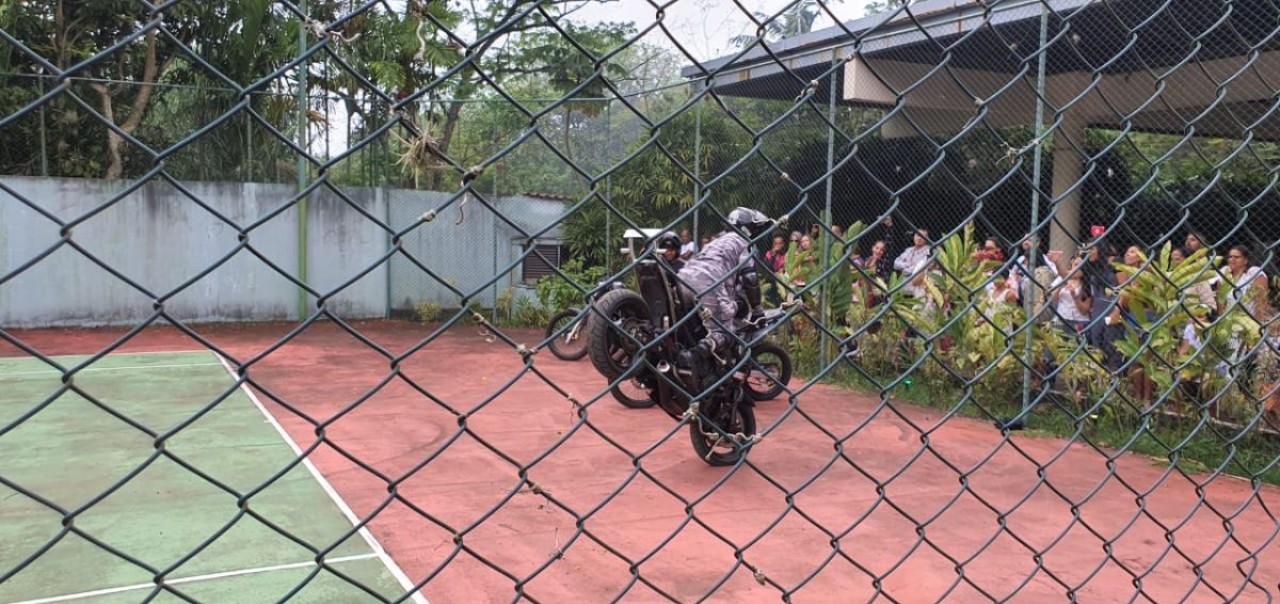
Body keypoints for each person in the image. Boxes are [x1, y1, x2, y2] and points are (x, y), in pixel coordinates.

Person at [676, 207, 773, 379]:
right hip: (708, 282)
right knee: (724, 333)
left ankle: (697, 359)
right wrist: (757, 309)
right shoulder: (744, 243)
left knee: (694, 325)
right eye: (756, 228)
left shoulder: (718, 240)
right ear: (747, 228)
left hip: (684, 278)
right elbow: (749, 278)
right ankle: (693, 357)